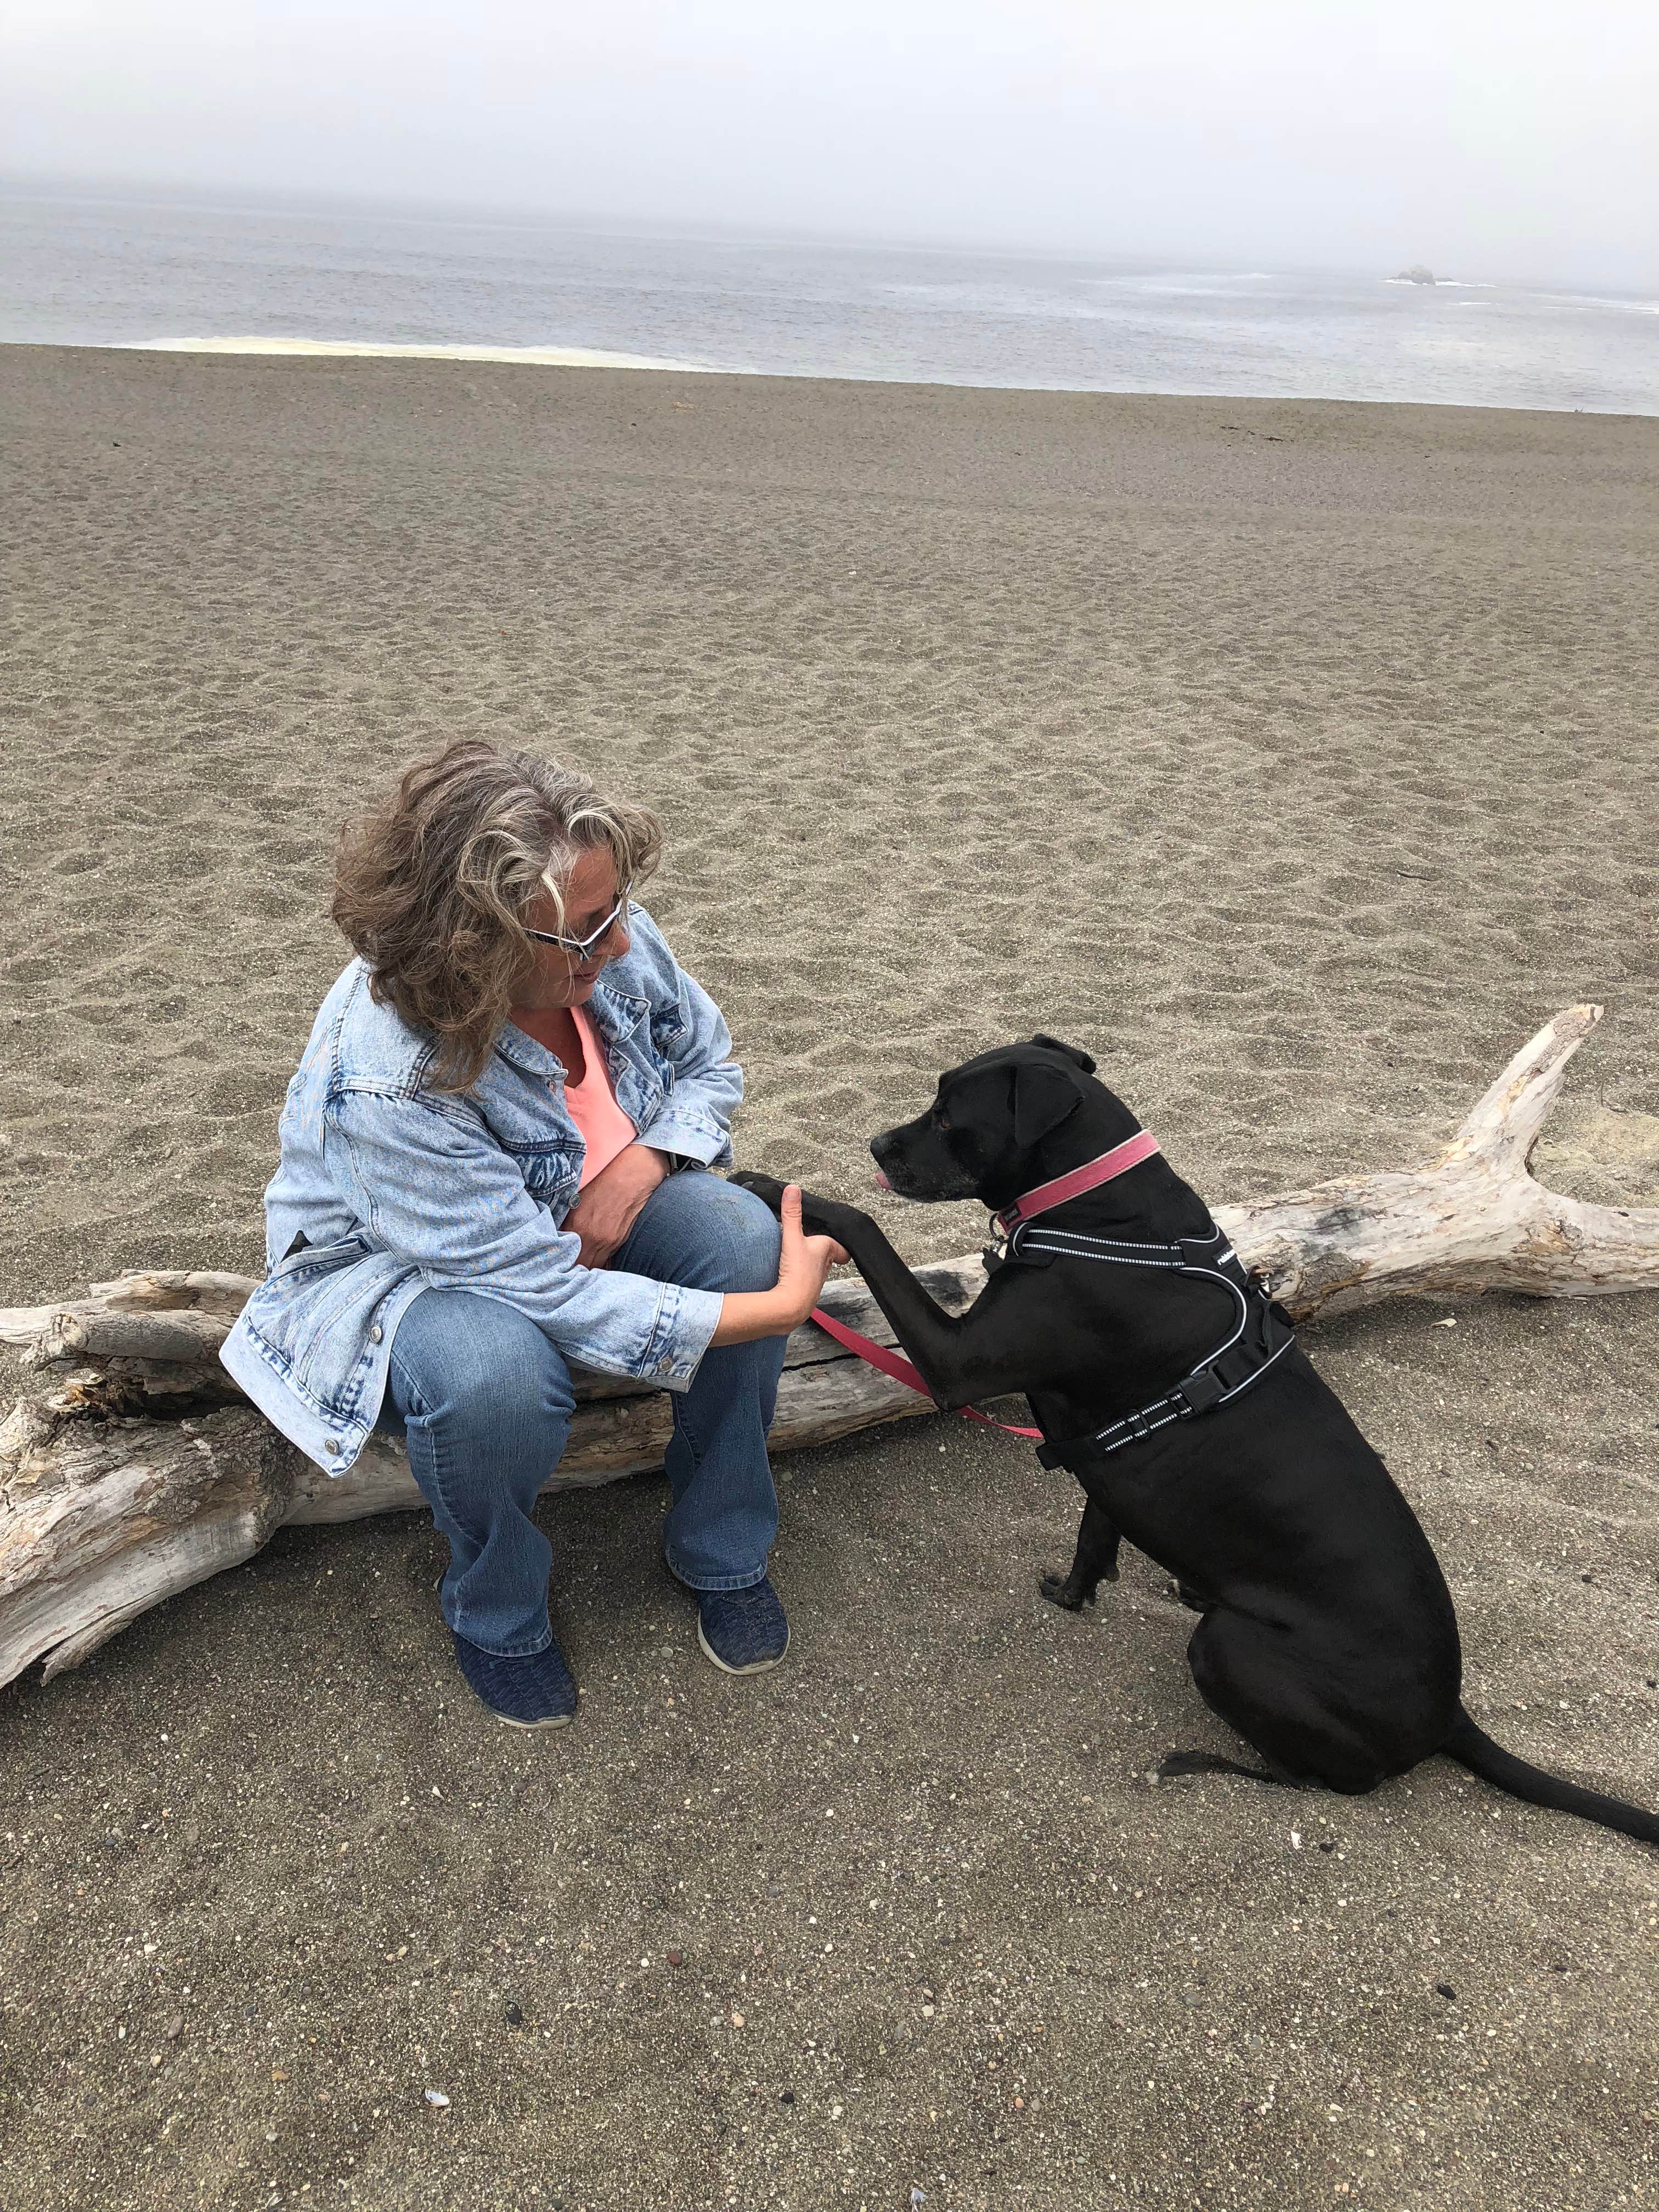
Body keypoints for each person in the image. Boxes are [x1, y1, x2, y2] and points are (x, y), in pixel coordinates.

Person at [221, 740, 844, 1729]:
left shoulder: (594, 931)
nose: (624, 949)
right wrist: (780, 1308)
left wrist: (639, 1168)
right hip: (400, 1267)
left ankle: (722, 1546)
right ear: (475, 943)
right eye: (589, 936)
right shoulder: (389, 1077)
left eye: (616, 912)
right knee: (496, 1376)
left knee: (736, 1233)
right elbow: (545, 1289)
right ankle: (497, 1608)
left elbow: (711, 1066)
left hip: (577, 1196)